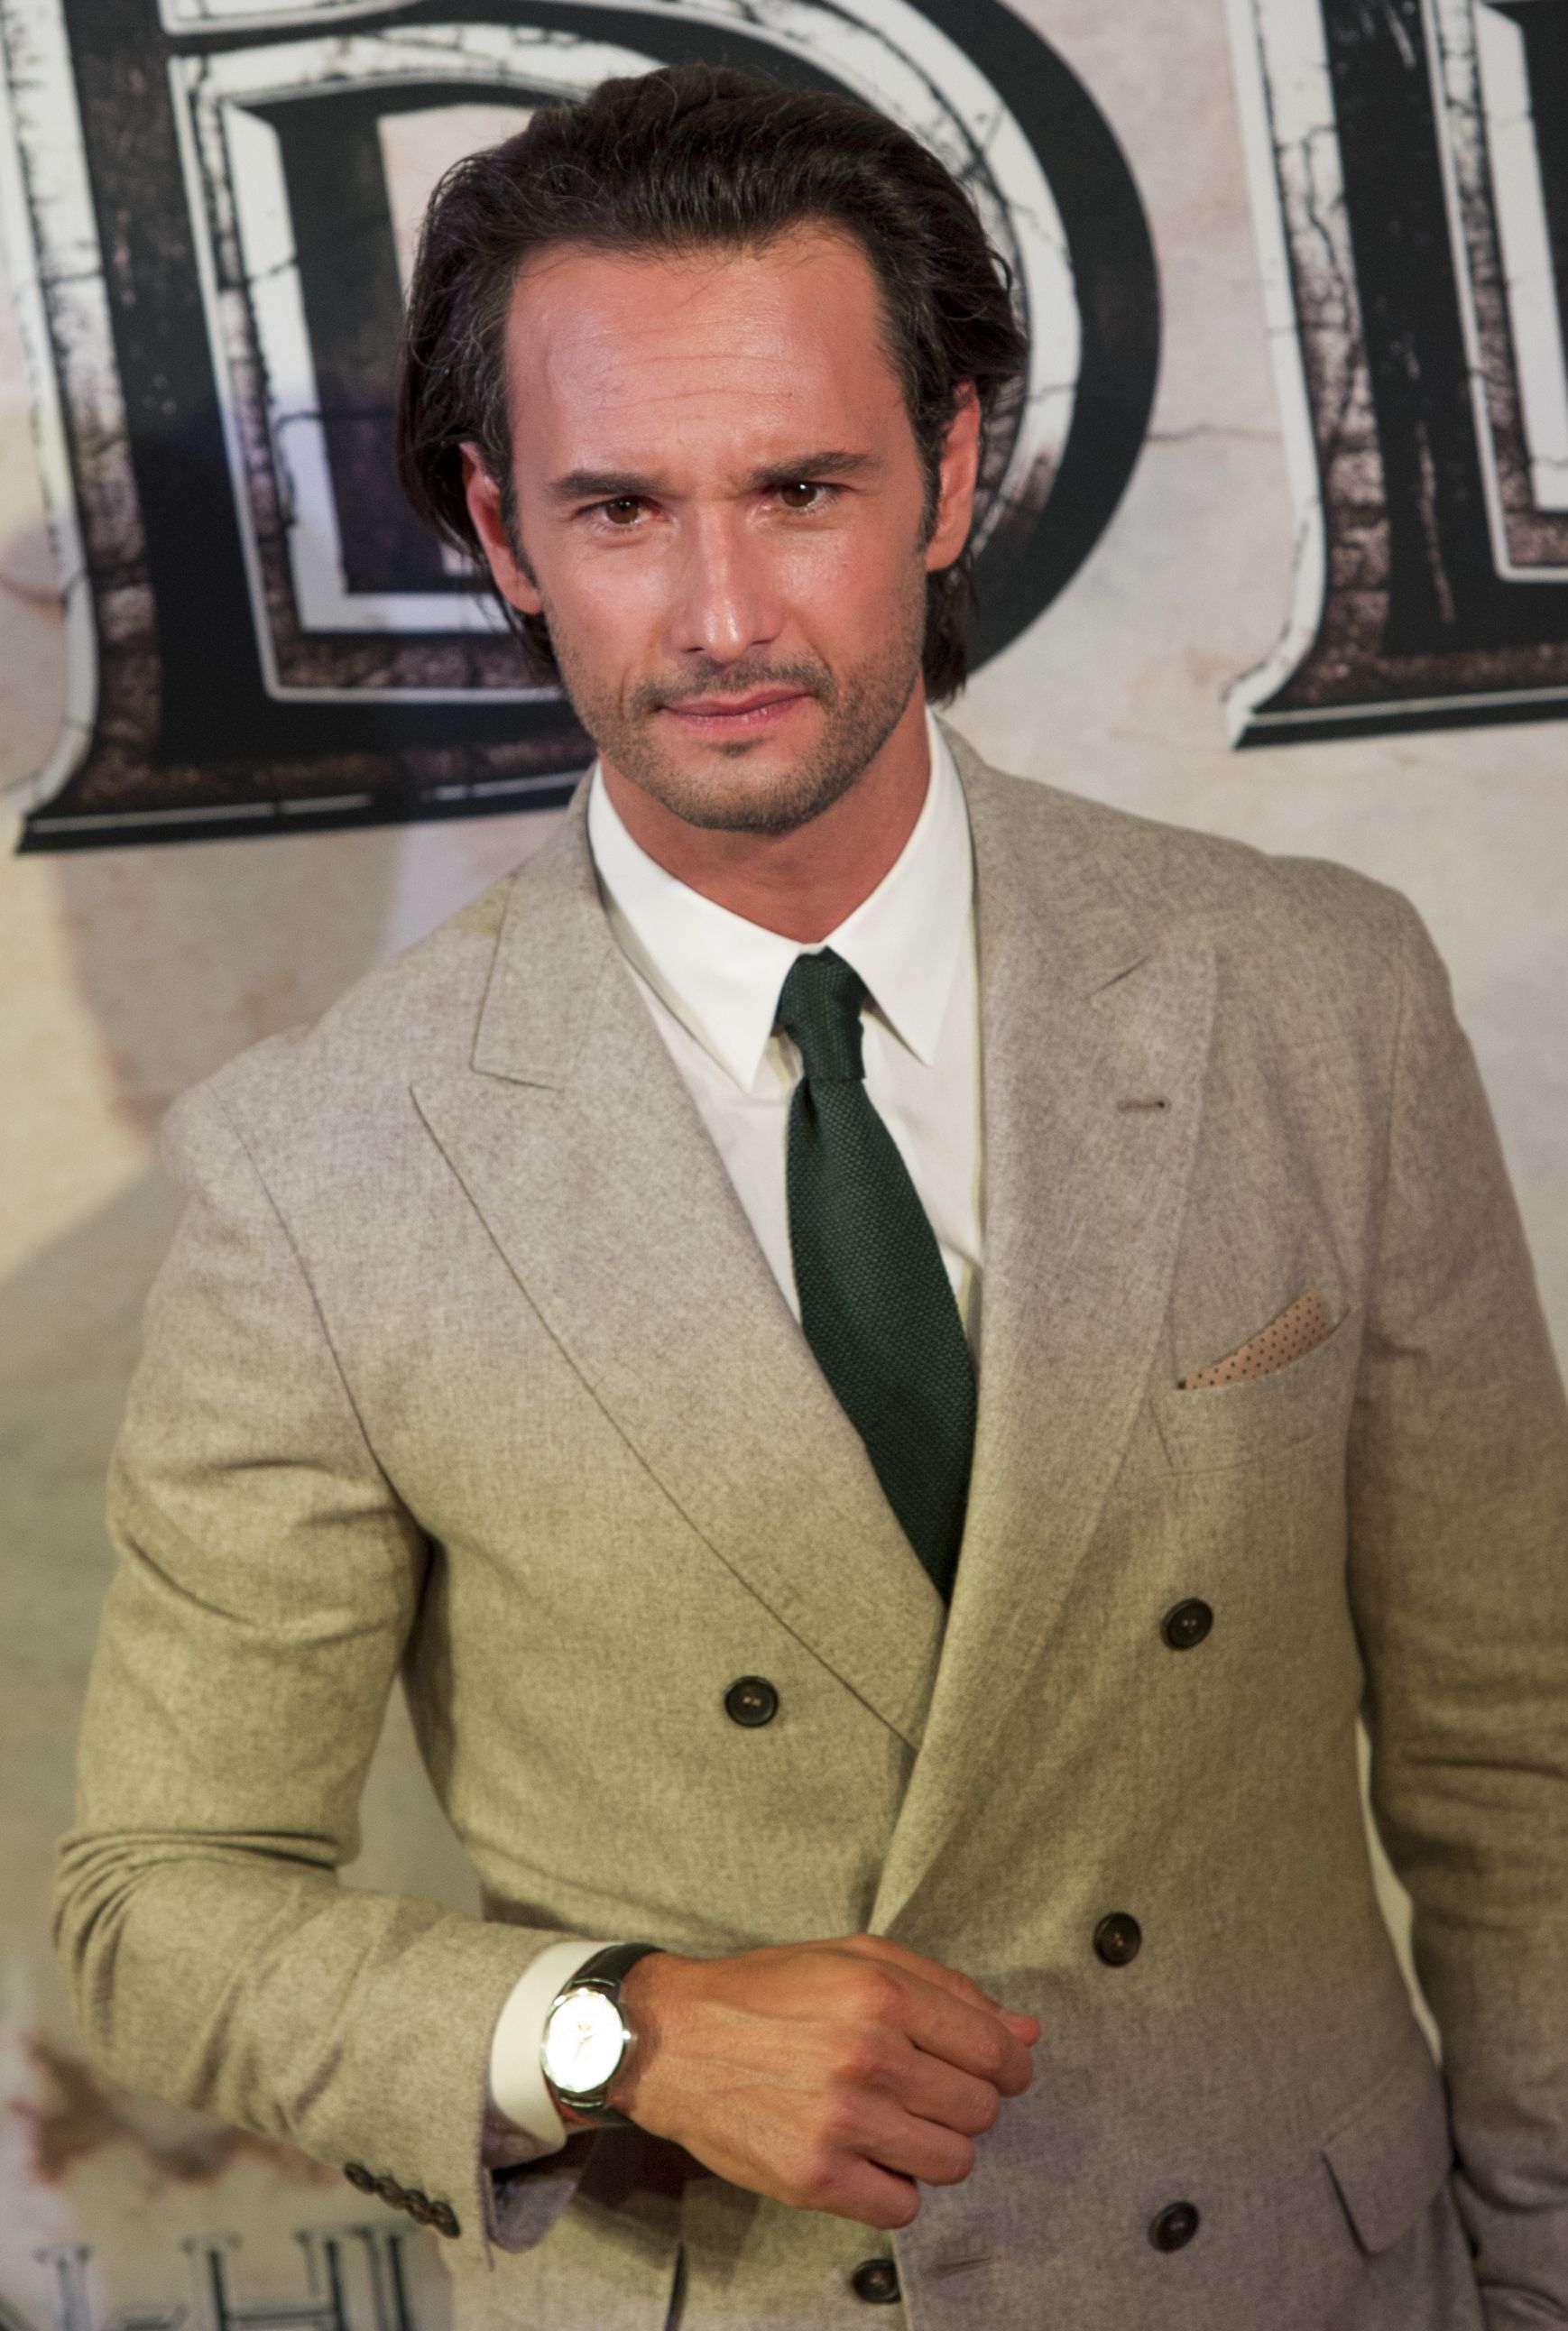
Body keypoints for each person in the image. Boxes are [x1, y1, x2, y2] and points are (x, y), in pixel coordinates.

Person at [53, 60, 1567, 2331]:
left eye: (796, 487)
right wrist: (611, 2031)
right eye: (619, 508)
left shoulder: (1309, 993)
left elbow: (1516, 1762)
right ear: (501, 532)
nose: (719, 611)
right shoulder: (321, 1167)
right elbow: (156, 1900)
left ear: (946, 471)